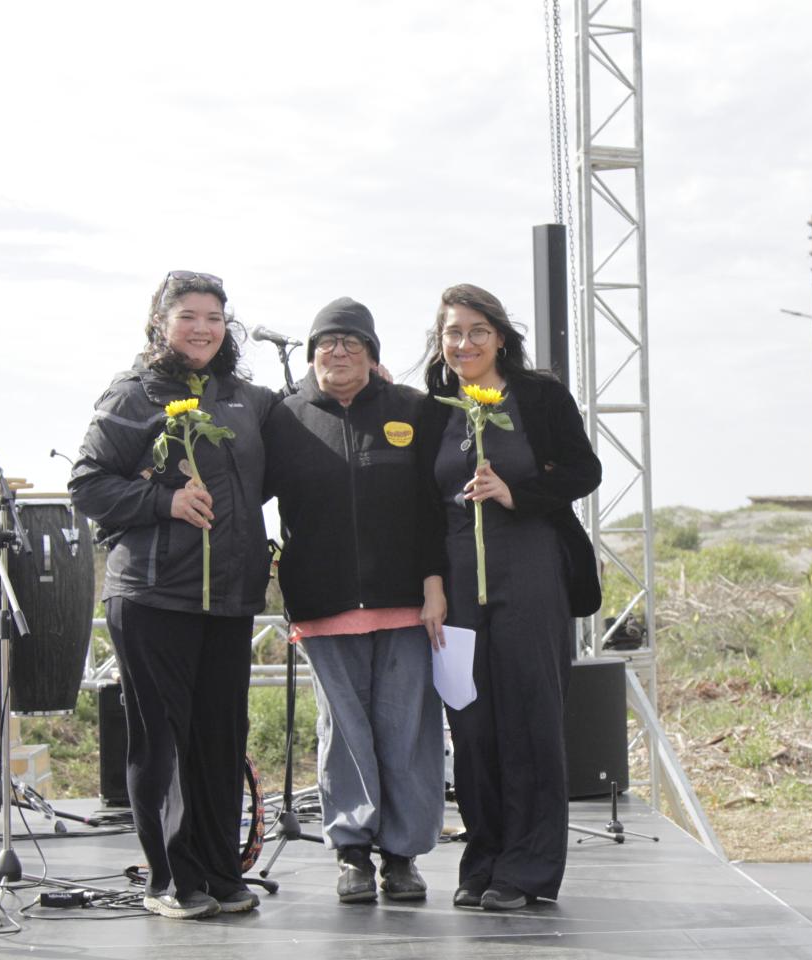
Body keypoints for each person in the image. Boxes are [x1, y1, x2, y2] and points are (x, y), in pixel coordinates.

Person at [69, 271, 275, 920]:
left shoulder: (243, 397)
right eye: (189, 316)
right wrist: (165, 501)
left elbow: (277, 462)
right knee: (164, 740)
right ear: (160, 323)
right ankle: (169, 880)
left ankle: (219, 873)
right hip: (155, 594)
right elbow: (88, 485)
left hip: (231, 597)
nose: (204, 328)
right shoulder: (133, 393)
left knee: (220, 737)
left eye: (215, 317)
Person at [422, 282, 601, 911]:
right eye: (453, 332)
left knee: (530, 721)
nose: (464, 343)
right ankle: (484, 860)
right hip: (457, 583)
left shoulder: (540, 396)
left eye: (476, 330)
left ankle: (527, 871)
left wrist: (515, 494)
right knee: (471, 728)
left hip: (530, 572)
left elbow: (585, 471)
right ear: (440, 342)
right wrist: (432, 587)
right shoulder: (433, 407)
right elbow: (418, 508)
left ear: (499, 336)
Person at [263, 296, 447, 904]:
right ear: (312, 355)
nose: (338, 352)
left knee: (407, 731)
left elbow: (433, 507)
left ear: (373, 354)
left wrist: (434, 581)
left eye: (352, 342)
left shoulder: (415, 411)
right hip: (322, 604)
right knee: (343, 733)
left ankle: (401, 856)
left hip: (405, 604)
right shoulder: (283, 419)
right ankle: (351, 854)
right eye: (326, 343)